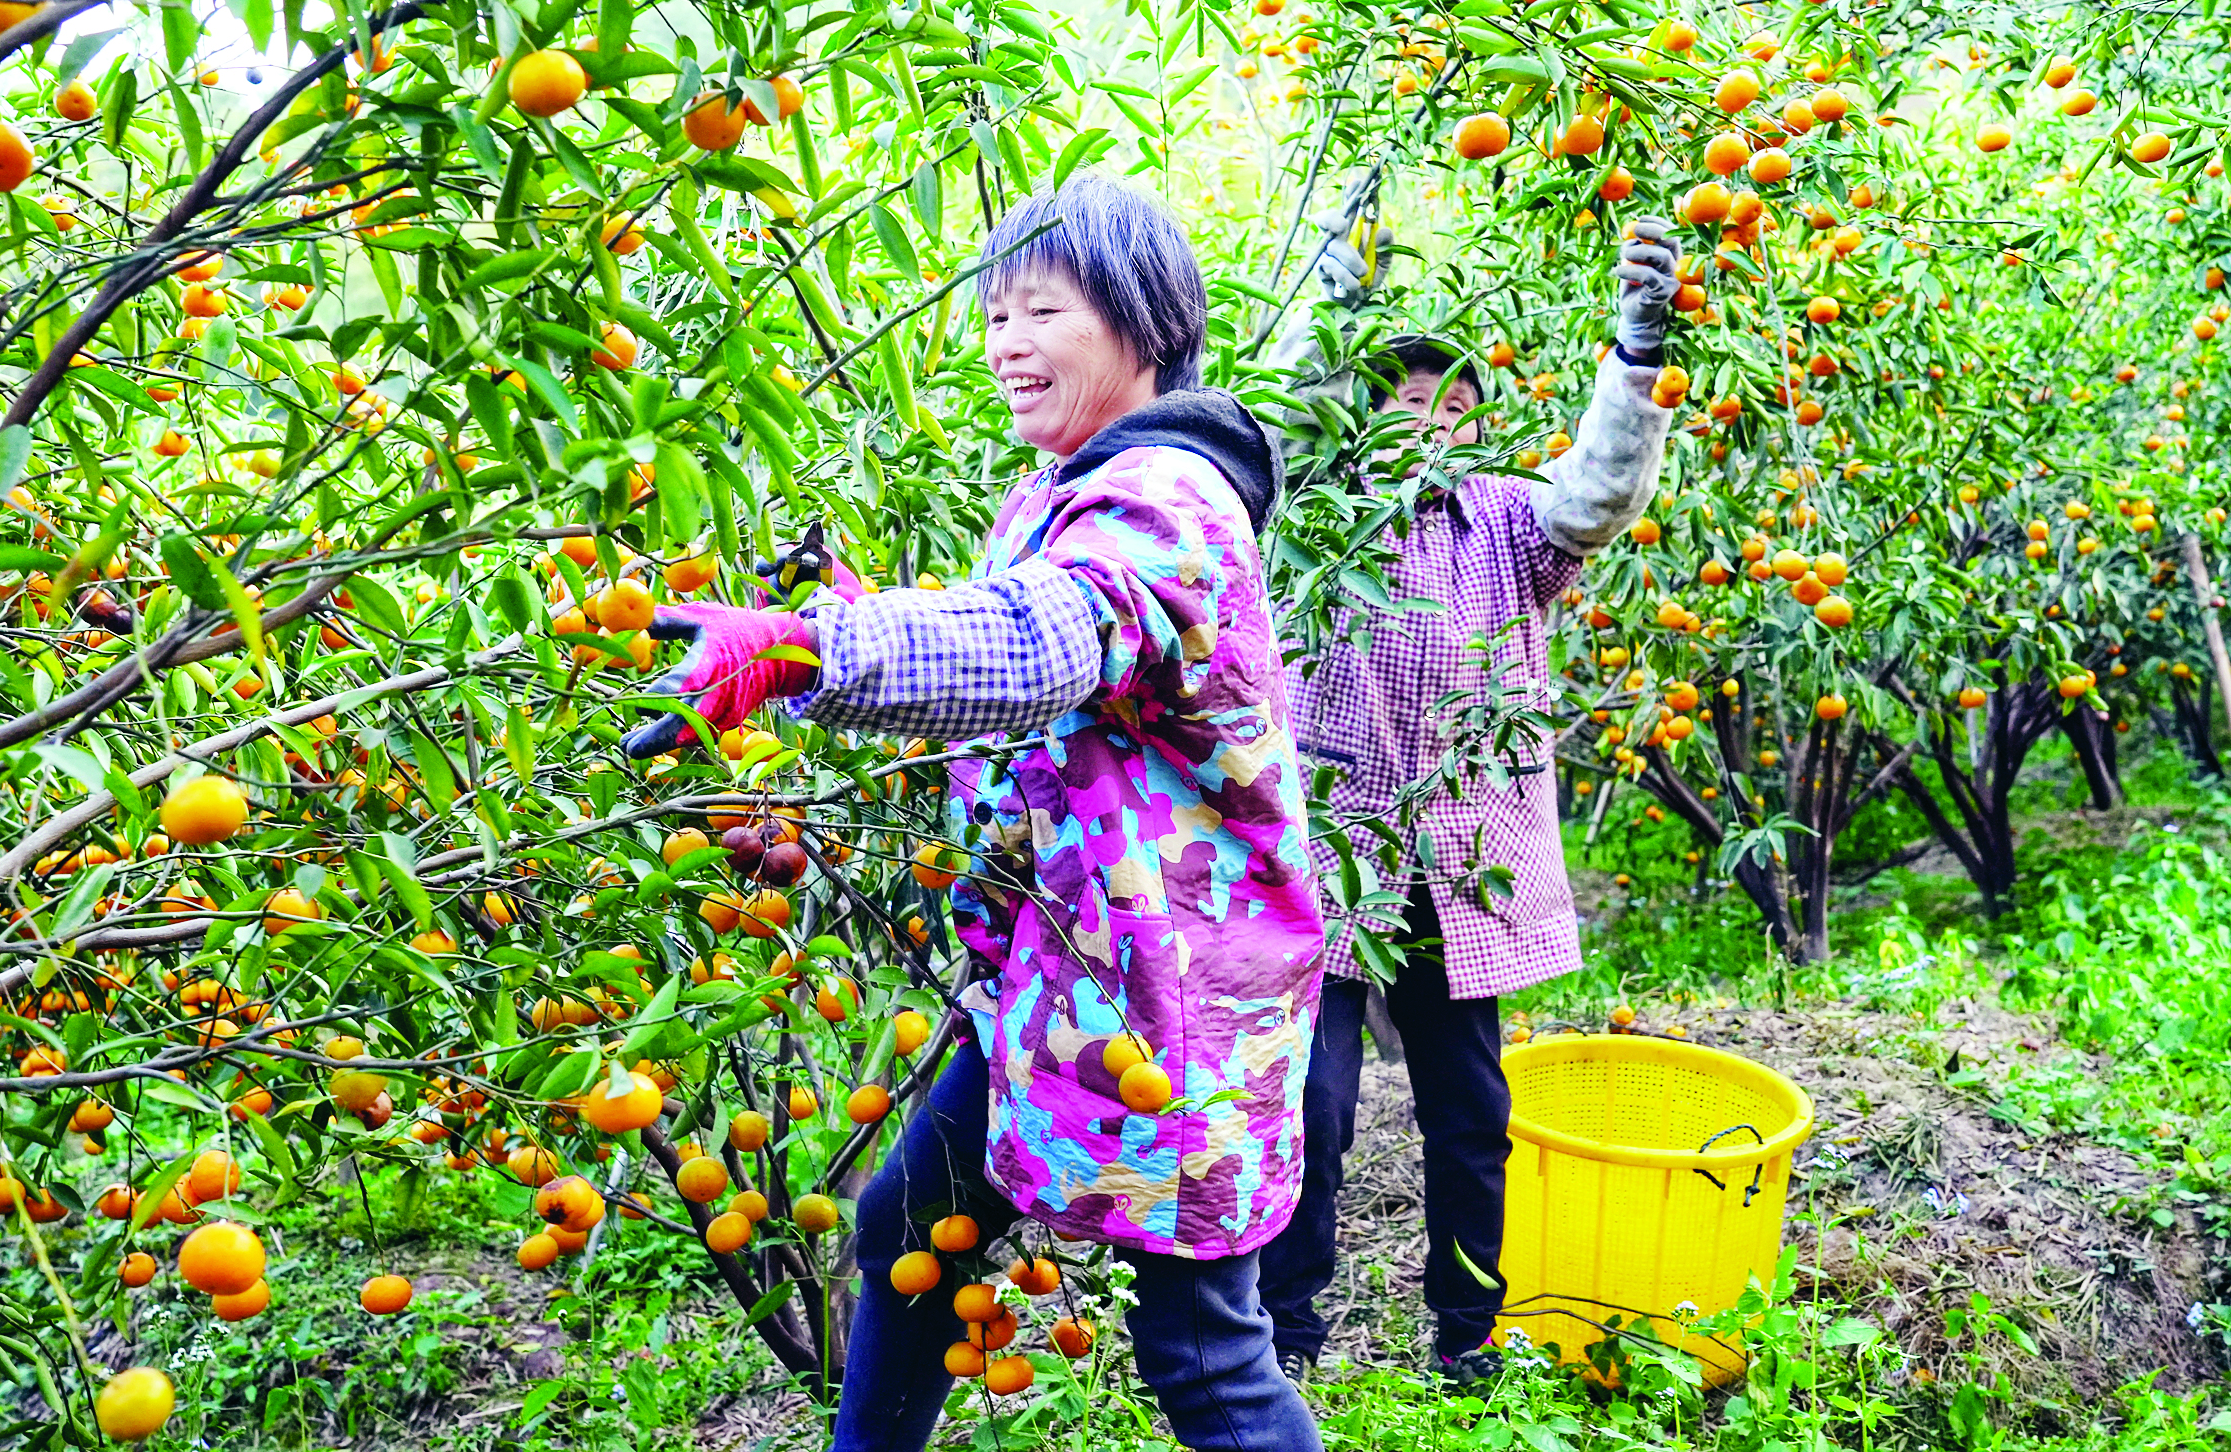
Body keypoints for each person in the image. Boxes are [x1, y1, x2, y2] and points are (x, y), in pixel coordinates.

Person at [625, 172, 1327, 1452]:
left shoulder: (1166, 501)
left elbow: (1050, 640)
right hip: (1062, 986)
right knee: (908, 1229)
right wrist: (859, 612)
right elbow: (1011, 681)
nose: (1007, 343)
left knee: (1202, 1354)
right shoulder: (1063, 489)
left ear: (1147, 323)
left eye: (1043, 312)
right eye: (997, 314)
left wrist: (817, 648)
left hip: (1173, 1004)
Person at [1254, 214, 1685, 1392]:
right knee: (1312, 1105)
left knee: (1469, 1113)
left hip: (1459, 862)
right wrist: (1338, 286)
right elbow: (1293, 412)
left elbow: (1599, 492)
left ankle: (1468, 1336)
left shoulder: (1508, 521)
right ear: (1364, 415)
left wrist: (1637, 354)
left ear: (1482, 427)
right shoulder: (1315, 511)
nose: (1430, 422)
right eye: (1405, 401)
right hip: (1330, 860)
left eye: (1454, 406)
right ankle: (1286, 1333)